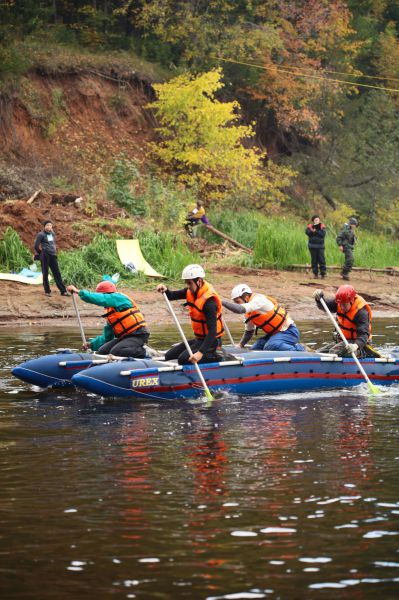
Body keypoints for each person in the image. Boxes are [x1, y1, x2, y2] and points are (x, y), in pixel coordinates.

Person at [157, 264, 224, 364]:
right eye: (186, 283)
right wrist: (165, 290)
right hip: (199, 339)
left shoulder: (209, 302)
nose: (188, 286)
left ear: (199, 281)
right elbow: (171, 295)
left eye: (190, 283)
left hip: (212, 342)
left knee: (183, 359)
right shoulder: (190, 291)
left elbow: (212, 332)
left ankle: (218, 356)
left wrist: (200, 353)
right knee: (169, 356)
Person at [67, 280, 149, 357]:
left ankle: (146, 352)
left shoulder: (118, 298)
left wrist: (78, 292)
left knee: (116, 351)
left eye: (103, 295)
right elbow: (108, 337)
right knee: (102, 351)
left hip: (139, 335)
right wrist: (91, 344)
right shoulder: (111, 313)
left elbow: (101, 298)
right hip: (125, 338)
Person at [222, 284, 304, 351]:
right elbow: (249, 331)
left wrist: (222, 302)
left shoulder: (258, 300)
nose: (237, 304)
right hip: (274, 335)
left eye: (237, 302)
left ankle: (300, 349)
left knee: (270, 346)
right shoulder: (249, 312)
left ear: (246, 297)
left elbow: (239, 309)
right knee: (254, 349)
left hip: (289, 332)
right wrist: (241, 345)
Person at [313, 285, 380, 357]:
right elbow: (325, 305)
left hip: (360, 343)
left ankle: (363, 352)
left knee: (334, 352)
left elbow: (363, 335)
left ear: (352, 301)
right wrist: (319, 299)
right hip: (344, 341)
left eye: (344, 305)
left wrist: (355, 346)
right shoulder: (340, 301)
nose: (341, 307)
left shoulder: (361, 312)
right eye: (340, 304)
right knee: (318, 353)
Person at [34, 220, 70, 297]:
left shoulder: (52, 234)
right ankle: (47, 291)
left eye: (50, 225)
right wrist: (41, 254)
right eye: (47, 225)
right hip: (45, 256)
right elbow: (36, 246)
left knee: (57, 273)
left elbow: (52, 244)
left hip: (53, 255)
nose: (49, 227)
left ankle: (63, 291)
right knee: (45, 273)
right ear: (44, 226)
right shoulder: (41, 234)